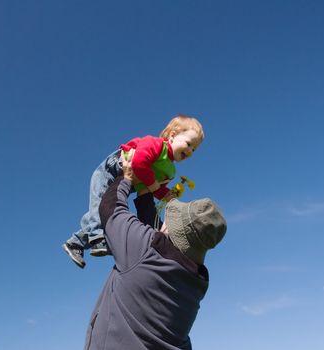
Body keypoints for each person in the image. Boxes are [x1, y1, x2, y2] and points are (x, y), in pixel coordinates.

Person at [83, 151, 227, 350]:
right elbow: (156, 242)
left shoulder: (145, 252)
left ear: (171, 229)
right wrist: (145, 195)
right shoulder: (197, 282)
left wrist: (126, 178)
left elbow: (110, 208)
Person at [62, 115, 204, 268]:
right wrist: (154, 185)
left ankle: (76, 243)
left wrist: (166, 195)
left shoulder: (170, 170)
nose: (190, 151)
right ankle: (98, 240)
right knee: (101, 206)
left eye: (194, 149)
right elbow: (139, 162)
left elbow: (154, 187)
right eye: (189, 144)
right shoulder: (155, 144)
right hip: (112, 170)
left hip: (127, 182)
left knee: (106, 212)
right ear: (172, 136)